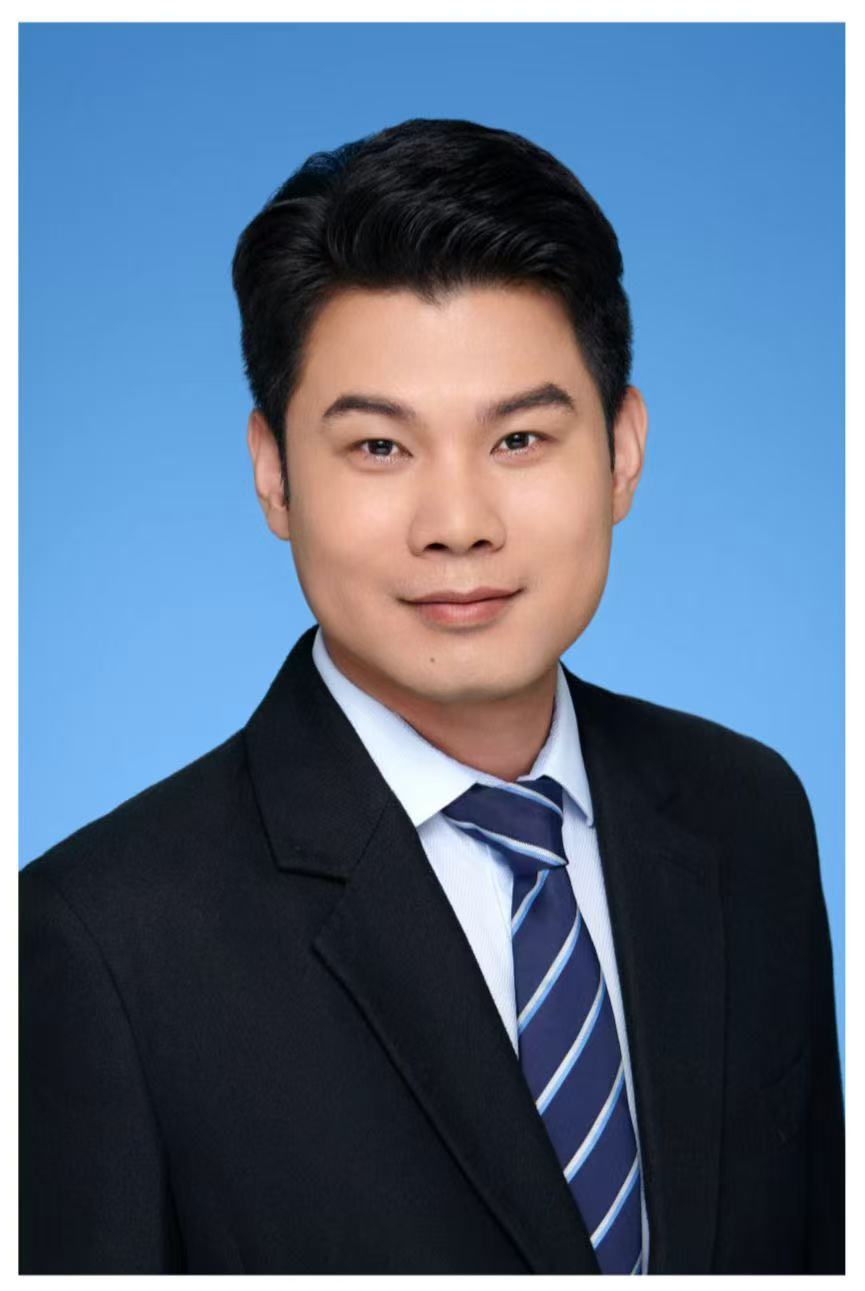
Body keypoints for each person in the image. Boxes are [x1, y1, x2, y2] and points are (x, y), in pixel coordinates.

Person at [19, 117, 844, 1275]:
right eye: (378, 448)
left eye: (518, 437)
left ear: (621, 451)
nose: (458, 523)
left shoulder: (746, 813)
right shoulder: (99, 941)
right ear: (273, 473)